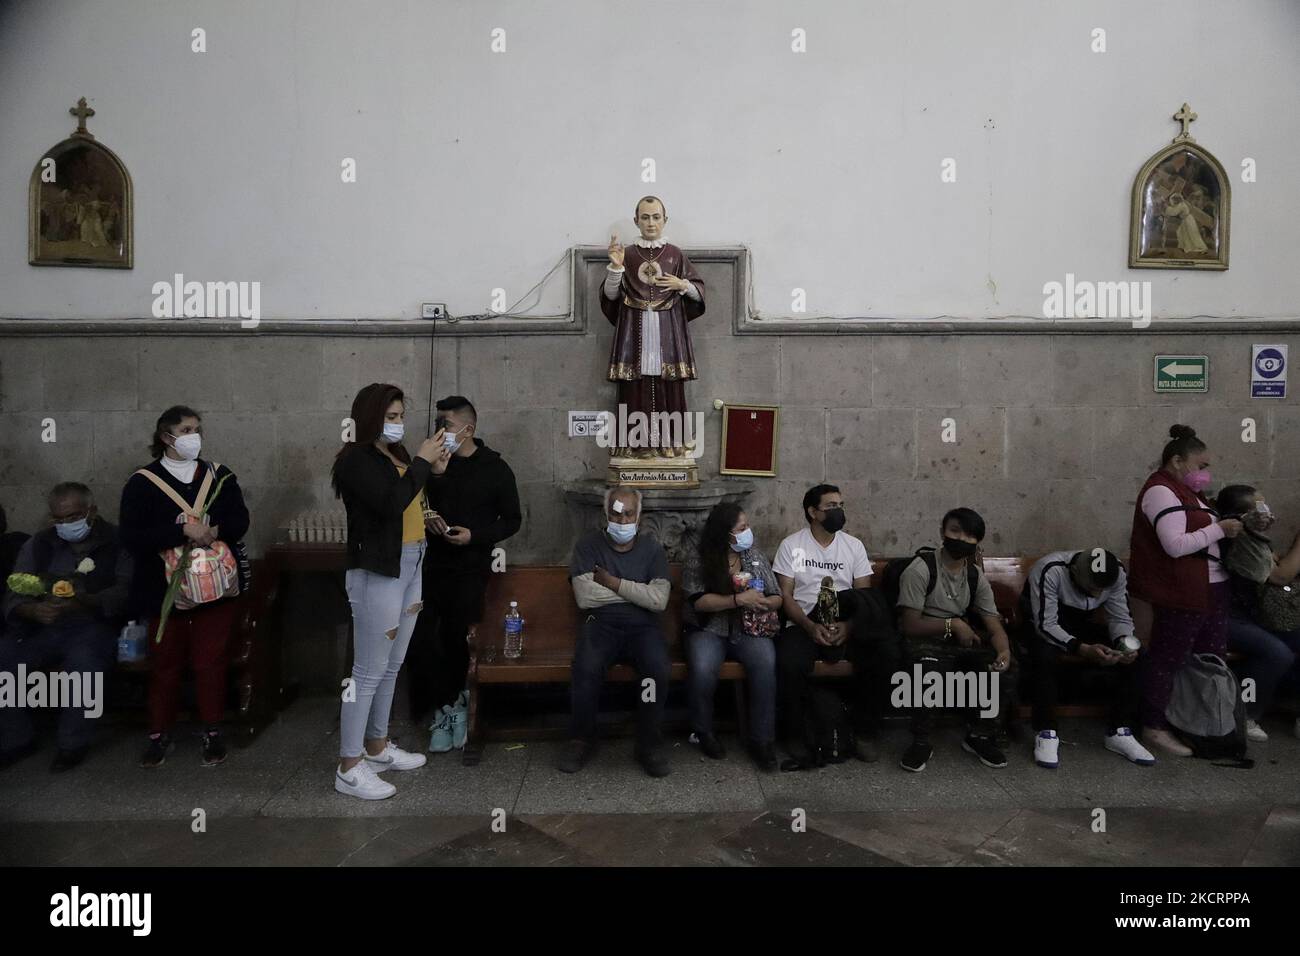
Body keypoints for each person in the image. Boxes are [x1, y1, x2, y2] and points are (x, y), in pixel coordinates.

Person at [330, 384, 450, 800]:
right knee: (367, 670)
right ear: (370, 417)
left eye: (401, 416)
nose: (399, 424)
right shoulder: (355, 460)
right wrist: (420, 462)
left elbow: (412, 502)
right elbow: (388, 503)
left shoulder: (394, 455)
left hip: (411, 562)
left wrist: (431, 474)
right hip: (377, 571)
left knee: (392, 663)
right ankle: (349, 765)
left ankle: (377, 746)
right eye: (392, 417)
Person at [119, 406, 251, 769]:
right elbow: (132, 536)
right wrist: (180, 530)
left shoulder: (219, 476)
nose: (194, 435)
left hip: (214, 588)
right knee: (166, 662)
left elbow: (240, 519)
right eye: (186, 429)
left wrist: (214, 530)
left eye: (197, 429)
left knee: (211, 661)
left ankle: (212, 729)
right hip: (163, 591)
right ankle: (160, 733)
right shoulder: (143, 482)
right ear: (166, 437)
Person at [407, 395, 521, 758]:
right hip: (431, 566)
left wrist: (476, 535)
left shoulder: (495, 468)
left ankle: (460, 708)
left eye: (447, 425)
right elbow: (414, 503)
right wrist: (430, 507)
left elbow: (512, 519)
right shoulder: (431, 463)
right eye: (437, 424)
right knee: (425, 636)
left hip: (470, 567)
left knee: (459, 636)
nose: (440, 432)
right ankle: (439, 708)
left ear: (468, 429)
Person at [0, 484, 131, 772]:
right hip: (44, 625)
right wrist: (32, 609)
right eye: (58, 519)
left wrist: (84, 601)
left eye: (72, 517)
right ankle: (16, 739)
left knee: (84, 665)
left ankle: (72, 743)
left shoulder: (118, 541)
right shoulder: (38, 544)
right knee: (5, 656)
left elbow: (125, 591)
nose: (65, 525)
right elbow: (14, 592)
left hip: (93, 624)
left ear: (91, 512)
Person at [1128, 424, 1241, 757]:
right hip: (1182, 591)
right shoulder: (1161, 491)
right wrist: (1219, 529)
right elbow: (1175, 545)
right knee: (1168, 659)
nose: (1205, 473)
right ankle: (1154, 726)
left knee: (1208, 660)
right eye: (1201, 466)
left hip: (1211, 588)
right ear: (1177, 461)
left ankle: (1197, 723)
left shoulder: (1192, 495)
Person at [773, 484, 897, 764]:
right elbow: (786, 596)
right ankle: (795, 734)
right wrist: (808, 626)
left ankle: (864, 732)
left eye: (841, 505)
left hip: (846, 620)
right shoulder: (793, 545)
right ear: (813, 512)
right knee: (788, 663)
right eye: (831, 506)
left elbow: (863, 596)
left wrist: (849, 627)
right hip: (805, 621)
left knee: (884, 656)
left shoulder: (853, 546)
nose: (838, 511)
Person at [559, 486, 673, 778]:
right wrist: (637, 592)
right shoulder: (588, 546)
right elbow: (584, 596)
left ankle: (648, 743)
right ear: (605, 514)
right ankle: (580, 738)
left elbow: (659, 600)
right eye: (616, 515)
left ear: (640, 515)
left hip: (643, 627)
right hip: (601, 623)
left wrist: (611, 582)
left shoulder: (652, 550)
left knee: (656, 669)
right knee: (586, 667)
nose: (622, 522)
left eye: (628, 515)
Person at [895, 507, 1014, 772]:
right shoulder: (921, 568)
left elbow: (993, 625)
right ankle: (921, 741)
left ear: (977, 541)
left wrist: (1003, 651)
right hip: (924, 635)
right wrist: (952, 624)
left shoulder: (974, 576)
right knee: (928, 668)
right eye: (954, 531)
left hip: (961, 638)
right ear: (942, 533)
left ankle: (980, 735)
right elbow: (910, 625)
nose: (961, 539)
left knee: (1002, 669)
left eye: (969, 535)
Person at [1021, 549, 1155, 768]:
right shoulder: (1050, 570)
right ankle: (1046, 731)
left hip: (1081, 623)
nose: (1097, 593)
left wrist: (1124, 645)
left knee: (1139, 657)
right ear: (1075, 573)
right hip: (1042, 625)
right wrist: (1082, 649)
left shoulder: (1116, 573)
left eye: (1102, 589)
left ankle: (1119, 730)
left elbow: (1120, 615)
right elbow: (1046, 625)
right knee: (1044, 656)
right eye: (1093, 588)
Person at [600, 196, 706, 457]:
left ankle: (671, 445)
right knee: (634, 386)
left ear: (664, 220)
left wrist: (683, 285)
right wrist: (616, 267)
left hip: (667, 334)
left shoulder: (675, 254)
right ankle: (638, 446)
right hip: (634, 333)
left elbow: (699, 293)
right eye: (645, 217)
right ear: (636, 221)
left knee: (669, 385)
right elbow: (611, 297)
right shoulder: (628, 253)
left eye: (656, 217)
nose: (651, 223)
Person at [682, 502, 782, 771]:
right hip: (709, 629)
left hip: (750, 629)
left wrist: (767, 603)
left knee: (765, 661)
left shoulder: (754, 555)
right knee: (703, 667)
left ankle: (762, 740)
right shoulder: (699, 557)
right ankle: (704, 731)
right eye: (741, 528)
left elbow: (776, 595)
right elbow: (698, 602)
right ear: (725, 533)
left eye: (747, 526)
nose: (747, 532)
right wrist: (737, 600)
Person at [1215, 484, 1300, 741]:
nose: (1267, 513)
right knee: (1277, 653)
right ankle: (1246, 712)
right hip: (1226, 617)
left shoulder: (1254, 538)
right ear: (1241, 516)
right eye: (1259, 508)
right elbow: (1279, 576)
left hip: (1254, 616)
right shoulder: (1238, 539)